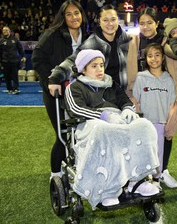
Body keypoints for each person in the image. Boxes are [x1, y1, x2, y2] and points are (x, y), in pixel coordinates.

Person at [64, 49, 159, 207]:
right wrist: (103, 116)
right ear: (83, 69)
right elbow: (76, 109)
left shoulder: (110, 84)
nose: (100, 69)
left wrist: (128, 109)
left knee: (145, 126)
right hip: (91, 125)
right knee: (104, 129)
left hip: (118, 122)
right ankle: (108, 190)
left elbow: (124, 101)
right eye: (94, 66)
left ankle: (137, 181)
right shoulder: (75, 88)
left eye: (101, 65)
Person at [126, 7, 177, 189]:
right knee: (141, 136)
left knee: (166, 134)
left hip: (165, 97)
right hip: (142, 95)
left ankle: (164, 170)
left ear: (156, 23)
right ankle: (142, 172)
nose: (145, 27)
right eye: (142, 23)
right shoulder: (134, 42)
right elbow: (131, 70)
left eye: (149, 22)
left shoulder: (167, 42)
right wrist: (132, 96)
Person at [32, 0, 90, 180]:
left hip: (80, 93)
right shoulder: (52, 34)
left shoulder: (88, 36)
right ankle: (56, 173)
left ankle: (77, 168)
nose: (74, 17)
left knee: (81, 133)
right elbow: (37, 59)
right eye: (69, 14)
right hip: (56, 93)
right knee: (63, 134)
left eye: (77, 13)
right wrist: (51, 80)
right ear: (63, 17)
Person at [48, 4, 132, 96]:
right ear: (99, 21)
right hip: (100, 97)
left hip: (123, 95)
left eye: (113, 19)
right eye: (105, 20)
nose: (110, 24)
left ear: (118, 20)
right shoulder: (92, 43)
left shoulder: (127, 40)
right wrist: (56, 77)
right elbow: (73, 62)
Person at [132, 43, 176, 189]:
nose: (154, 59)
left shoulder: (168, 79)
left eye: (157, 55)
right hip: (144, 123)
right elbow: (135, 100)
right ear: (146, 59)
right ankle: (141, 179)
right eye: (150, 56)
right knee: (142, 152)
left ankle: (157, 180)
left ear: (163, 57)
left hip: (160, 123)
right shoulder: (141, 77)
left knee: (158, 152)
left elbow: (171, 104)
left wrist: (169, 123)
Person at [0, 26, 26, 94]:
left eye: (6, 30)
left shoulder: (15, 39)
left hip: (14, 60)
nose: (5, 32)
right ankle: (9, 88)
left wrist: (23, 56)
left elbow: (20, 48)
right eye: (4, 30)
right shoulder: (1, 40)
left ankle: (15, 88)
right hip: (5, 61)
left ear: (9, 31)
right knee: (7, 76)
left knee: (15, 75)